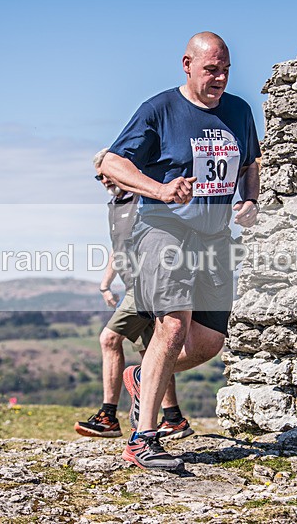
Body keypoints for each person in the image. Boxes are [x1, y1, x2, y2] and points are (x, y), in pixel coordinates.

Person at [100, 32, 260, 470]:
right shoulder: (159, 109)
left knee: (208, 343)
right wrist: (160, 188)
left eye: (226, 69)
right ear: (187, 64)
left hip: (215, 238)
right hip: (163, 231)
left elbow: (249, 165)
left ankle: (140, 377)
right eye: (212, 69)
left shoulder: (239, 112)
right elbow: (112, 162)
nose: (221, 77)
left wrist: (249, 200)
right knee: (172, 327)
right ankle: (144, 438)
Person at [73, 148, 193, 440]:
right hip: (132, 286)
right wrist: (105, 283)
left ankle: (108, 415)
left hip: (147, 284)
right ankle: (174, 418)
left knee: (109, 339)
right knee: (151, 349)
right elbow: (119, 248)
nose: (104, 180)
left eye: (108, 174)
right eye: (99, 177)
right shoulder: (114, 205)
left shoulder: (144, 198)